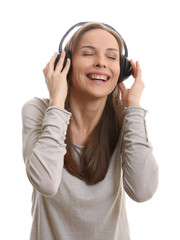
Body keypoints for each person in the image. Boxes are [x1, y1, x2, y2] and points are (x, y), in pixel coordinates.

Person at [22, 22, 159, 240]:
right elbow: (45, 182)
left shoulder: (126, 117)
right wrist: (57, 100)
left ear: (122, 71)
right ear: (64, 64)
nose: (101, 63)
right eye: (88, 53)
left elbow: (142, 191)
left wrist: (133, 108)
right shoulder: (39, 110)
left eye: (112, 57)